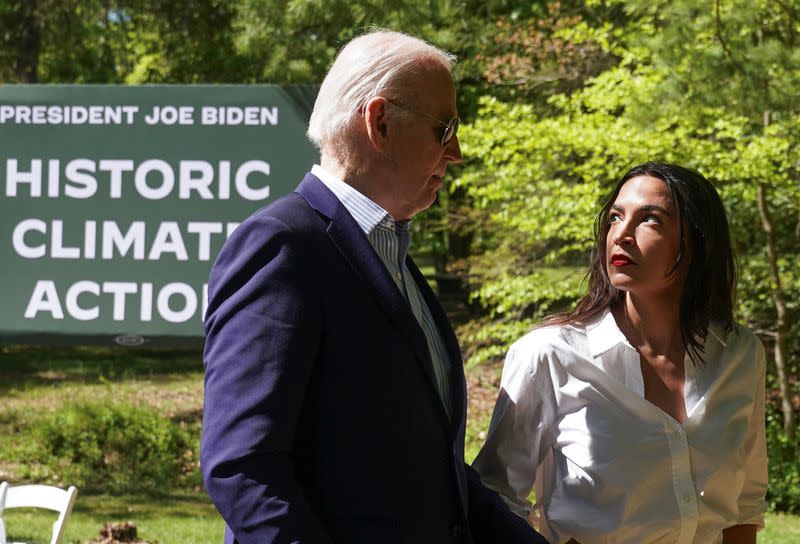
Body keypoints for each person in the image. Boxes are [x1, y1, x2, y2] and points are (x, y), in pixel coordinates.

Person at [201, 29, 548, 544]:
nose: (456, 152)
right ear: (380, 122)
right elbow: (244, 466)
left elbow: (436, 474)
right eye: (446, 127)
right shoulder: (283, 245)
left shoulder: (389, 254)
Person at [473, 162, 768, 544]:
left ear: (697, 242)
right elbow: (495, 500)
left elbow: (745, 504)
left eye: (650, 219)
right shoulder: (549, 354)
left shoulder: (741, 355)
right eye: (615, 217)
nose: (622, 235)